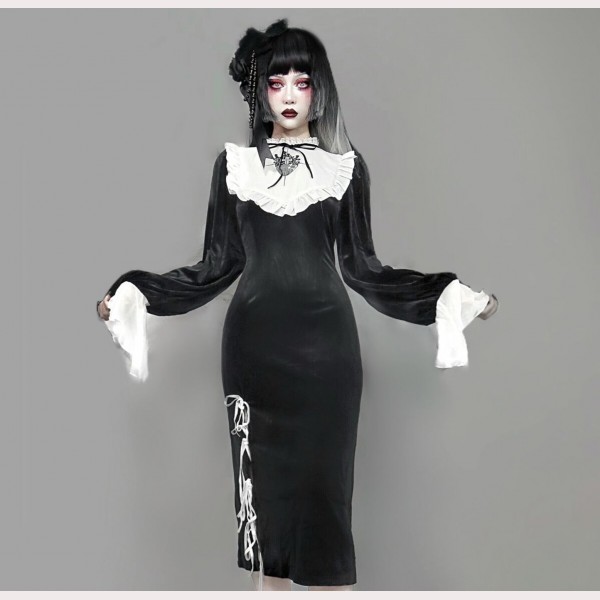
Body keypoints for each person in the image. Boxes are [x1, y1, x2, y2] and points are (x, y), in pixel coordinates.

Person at [96, 19, 498, 592]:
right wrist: (136, 291)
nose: (289, 94)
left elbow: (365, 269)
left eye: (302, 82)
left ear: (318, 89)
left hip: (327, 362)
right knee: (264, 530)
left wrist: (445, 295)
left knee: (323, 517)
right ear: (260, 91)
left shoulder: (345, 169)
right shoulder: (234, 167)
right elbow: (215, 266)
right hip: (253, 360)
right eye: (276, 81)